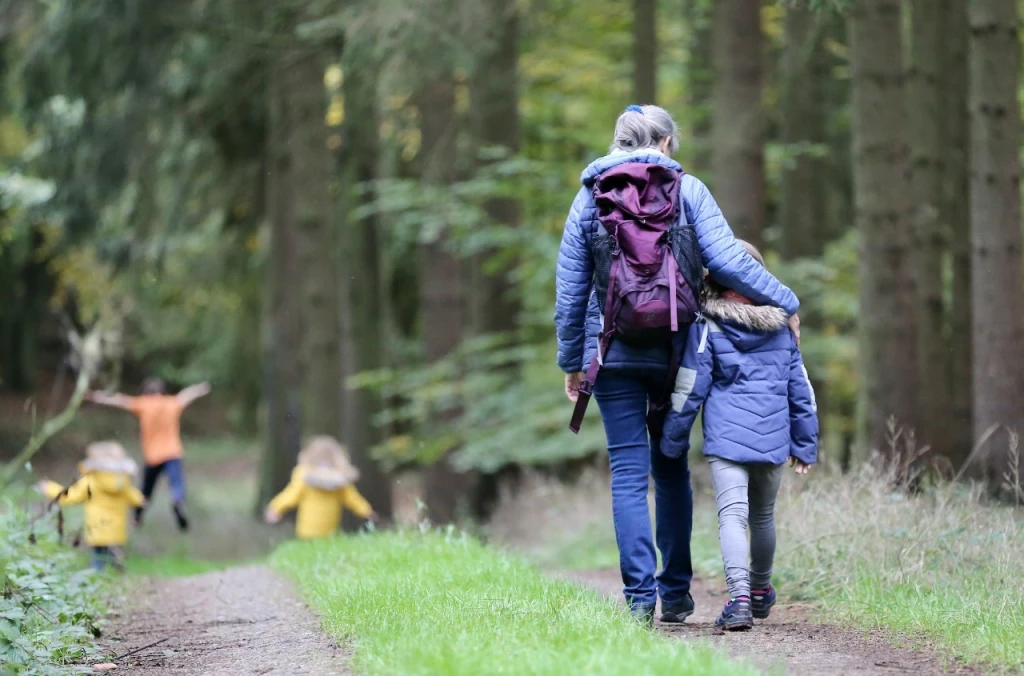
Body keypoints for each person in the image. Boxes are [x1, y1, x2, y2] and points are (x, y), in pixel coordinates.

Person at [554, 104, 801, 626]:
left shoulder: (588, 198)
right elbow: (731, 261)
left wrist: (572, 361)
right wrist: (787, 302)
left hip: (613, 351)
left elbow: (571, 290)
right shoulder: (689, 190)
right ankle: (677, 594)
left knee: (627, 472)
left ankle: (640, 599)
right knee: (670, 467)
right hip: (678, 351)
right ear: (665, 143)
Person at [661, 241, 818, 631]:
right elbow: (801, 390)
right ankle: (762, 590)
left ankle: (740, 599)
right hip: (773, 436)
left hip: (727, 441)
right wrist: (805, 443)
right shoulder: (783, 327)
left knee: (733, 516)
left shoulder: (708, 325)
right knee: (763, 516)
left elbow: (690, 386)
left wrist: (672, 438)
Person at [84, 377, 211, 531]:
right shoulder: (171, 403)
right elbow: (186, 395)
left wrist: (96, 396)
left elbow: (119, 400)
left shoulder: (144, 404)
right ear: (162, 391)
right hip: (172, 453)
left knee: (146, 490)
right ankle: (177, 501)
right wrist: (200, 388)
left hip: (153, 457)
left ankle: (137, 517)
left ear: (145, 392)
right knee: (176, 483)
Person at [36, 441, 146, 571]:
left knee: (98, 557)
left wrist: (49, 488)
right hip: (116, 529)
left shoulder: (91, 480)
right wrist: (141, 500)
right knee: (111, 552)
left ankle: (99, 575)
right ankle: (116, 566)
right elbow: (134, 497)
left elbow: (70, 496)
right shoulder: (122, 481)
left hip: (98, 527)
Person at [263, 436, 379, 539]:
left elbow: (291, 495)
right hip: (330, 530)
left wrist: (275, 508)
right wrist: (366, 511)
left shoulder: (304, 474)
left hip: (306, 530)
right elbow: (353, 498)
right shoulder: (340, 478)